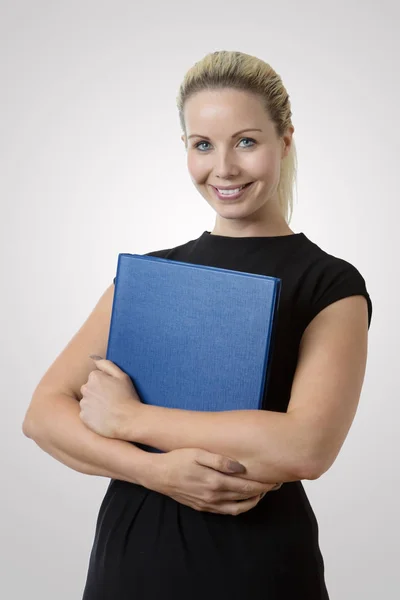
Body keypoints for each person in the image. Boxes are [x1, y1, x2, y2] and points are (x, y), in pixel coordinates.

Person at [22, 50, 372, 599]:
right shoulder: (148, 275)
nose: (224, 168)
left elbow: (306, 445)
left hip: (256, 569)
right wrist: (155, 473)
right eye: (203, 145)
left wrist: (132, 418)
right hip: (129, 564)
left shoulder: (329, 283)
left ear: (285, 141)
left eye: (247, 141)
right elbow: (43, 415)